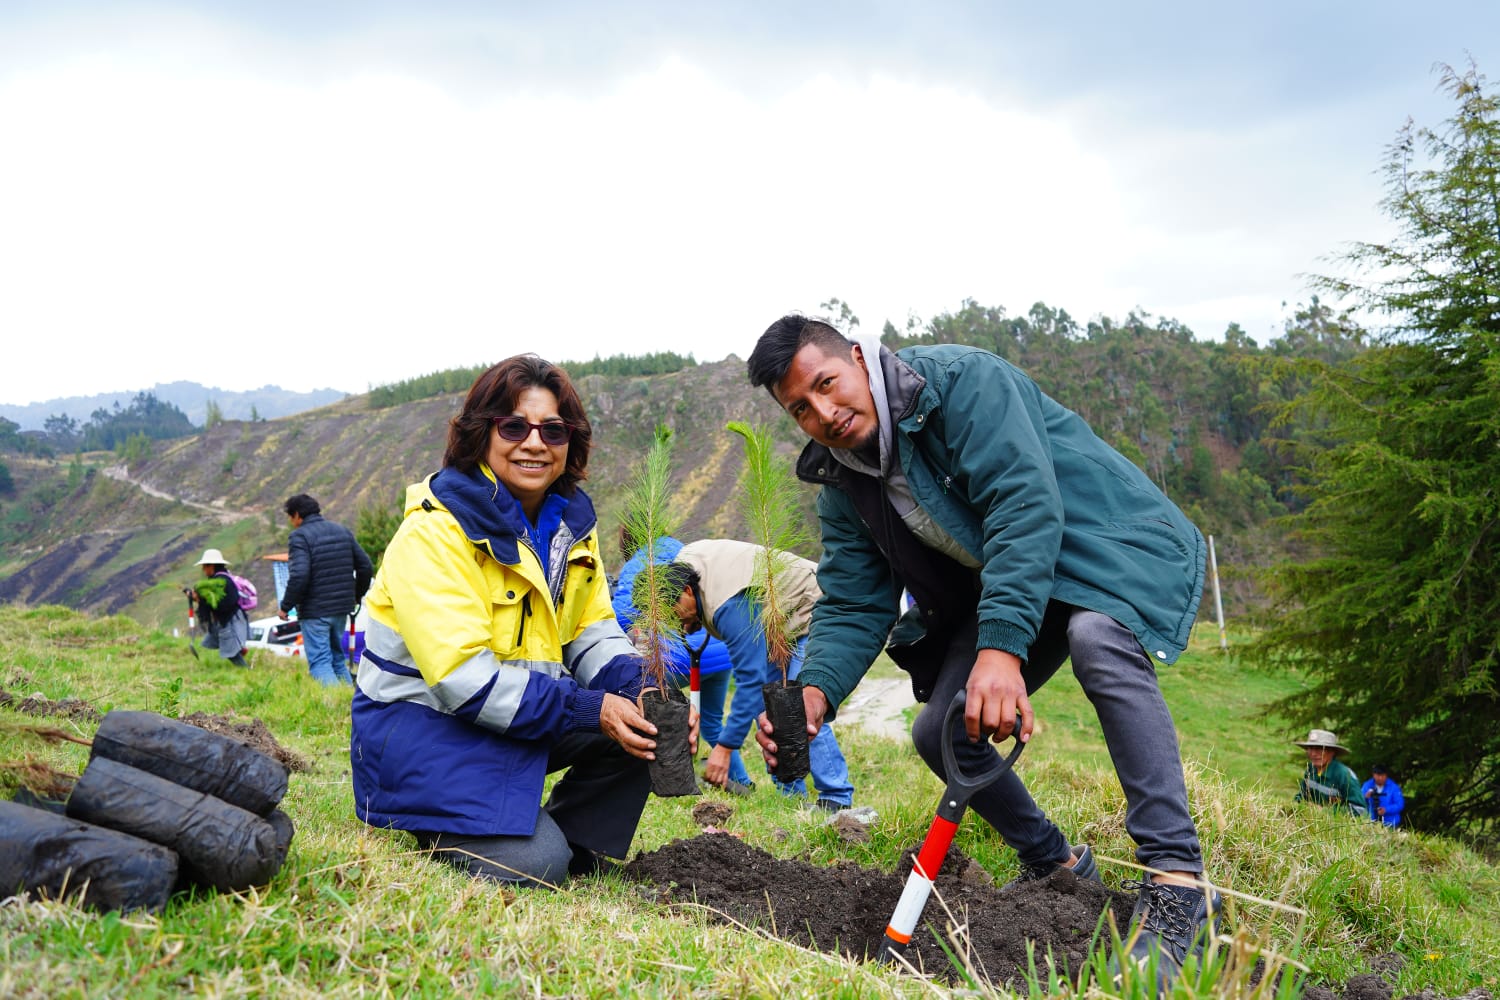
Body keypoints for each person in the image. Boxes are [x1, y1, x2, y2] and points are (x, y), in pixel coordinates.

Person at [746, 314, 1217, 988]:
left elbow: (1022, 506)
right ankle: (1055, 864)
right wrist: (816, 689)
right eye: (800, 408)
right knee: (940, 731)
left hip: (1104, 545)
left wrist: (1001, 649)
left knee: (1096, 638)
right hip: (1015, 578)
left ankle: (1178, 888)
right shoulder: (843, 479)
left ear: (857, 356)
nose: (824, 413)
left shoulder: (961, 384)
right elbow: (854, 600)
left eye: (827, 384)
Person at [350, 354, 677, 889]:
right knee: (534, 866)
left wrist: (640, 688)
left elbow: (592, 631)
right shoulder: (435, 533)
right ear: (481, 434)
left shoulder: (569, 526)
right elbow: (464, 680)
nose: (534, 443)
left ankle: (565, 840)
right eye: (513, 426)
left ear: (571, 441)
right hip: (425, 733)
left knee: (641, 726)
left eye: (553, 429)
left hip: (508, 724)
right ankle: (460, 828)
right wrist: (592, 709)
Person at [643, 538, 855, 811]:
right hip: (774, 622)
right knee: (772, 706)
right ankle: (792, 799)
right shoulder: (686, 569)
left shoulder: (727, 605)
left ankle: (836, 799)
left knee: (800, 707)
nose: (680, 627)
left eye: (676, 616)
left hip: (810, 609)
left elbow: (751, 681)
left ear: (685, 591)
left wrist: (725, 747)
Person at [610, 530, 750, 794]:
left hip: (678, 656)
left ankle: (663, 774)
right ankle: (740, 781)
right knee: (710, 720)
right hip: (719, 652)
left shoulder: (641, 563)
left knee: (640, 703)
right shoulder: (688, 551)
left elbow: (620, 618)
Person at [278, 494, 375, 687]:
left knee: (320, 662)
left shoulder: (300, 536)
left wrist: (286, 606)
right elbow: (365, 566)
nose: (291, 523)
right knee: (337, 659)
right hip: (341, 608)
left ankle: (334, 706)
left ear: (297, 515)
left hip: (315, 611)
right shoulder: (341, 531)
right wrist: (356, 596)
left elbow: (299, 575)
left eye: (290, 517)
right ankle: (349, 702)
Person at [189, 548, 249, 668]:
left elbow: (223, 605)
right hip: (224, 621)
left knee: (230, 651)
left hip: (231, 620)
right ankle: (239, 650)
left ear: (213, 566)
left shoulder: (224, 581)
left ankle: (246, 671)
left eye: (205, 565)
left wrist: (201, 599)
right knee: (209, 642)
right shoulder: (215, 581)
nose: (203, 569)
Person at [1293, 729, 1365, 817]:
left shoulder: (1344, 775)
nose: (1314, 754)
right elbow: (1302, 796)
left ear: (1332, 752)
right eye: (1310, 749)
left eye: (1320, 749)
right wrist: (1297, 805)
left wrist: (1326, 812)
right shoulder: (1310, 769)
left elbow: (1359, 809)